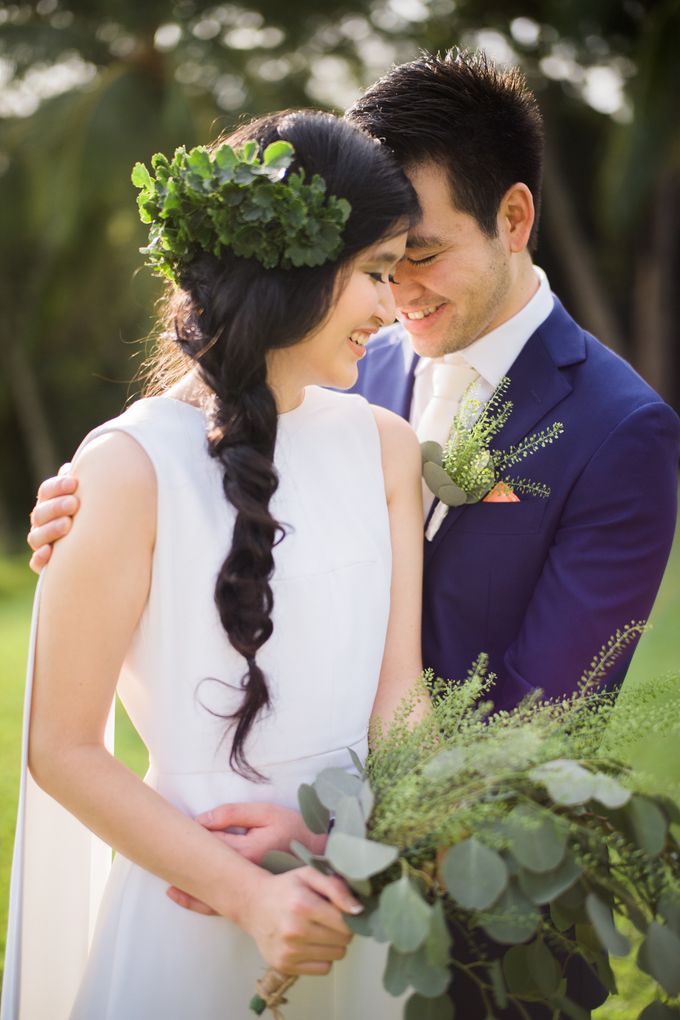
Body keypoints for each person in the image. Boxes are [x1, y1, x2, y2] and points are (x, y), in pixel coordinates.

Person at [3, 109, 424, 1020]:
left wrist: (357, 844)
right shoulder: (126, 466)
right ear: (298, 267)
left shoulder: (388, 449)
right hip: (190, 902)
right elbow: (61, 747)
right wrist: (252, 898)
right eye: (377, 275)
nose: (391, 310)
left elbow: (402, 699)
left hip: (349, 896)